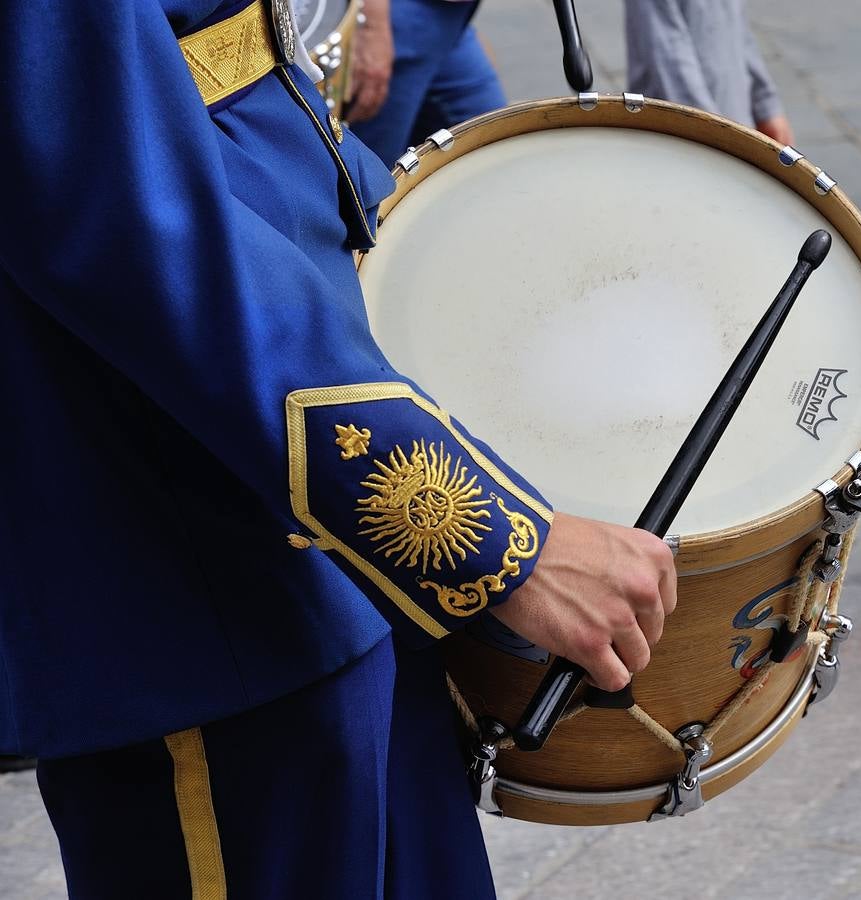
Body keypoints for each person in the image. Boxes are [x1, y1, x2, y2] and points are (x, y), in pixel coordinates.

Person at [0, 2, 673, 897]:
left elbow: (226, 67)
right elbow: (119, 210)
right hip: (176, 526)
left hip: (301, 468)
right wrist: (490, 538)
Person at [346, 0, 508, 167]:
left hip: (451, 20)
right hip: (398, 20)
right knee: (376, 174)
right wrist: (370, 26)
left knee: (497, 149)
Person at [625, 0, 795, 145]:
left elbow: (736, 25)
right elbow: (670, 57)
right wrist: (714, 131)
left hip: (733, 121)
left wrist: (766, 106)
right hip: (681, 133)